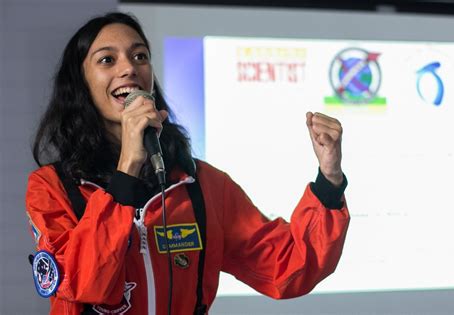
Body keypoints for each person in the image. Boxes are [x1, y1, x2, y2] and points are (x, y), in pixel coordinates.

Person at [25, 12, 350, 315]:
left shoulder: (202, 184)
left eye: (140, 56)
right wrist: (127, 170)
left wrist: (329, 180)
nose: (129, 69)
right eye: (107, 60)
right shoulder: (51, 188)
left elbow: (287, 266)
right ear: (80, 84)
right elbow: (85, 283)